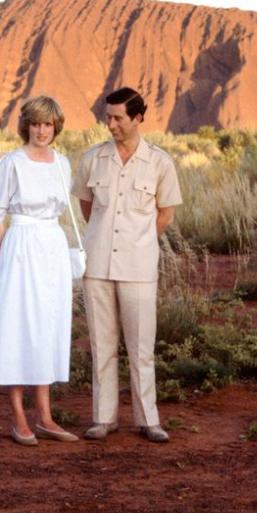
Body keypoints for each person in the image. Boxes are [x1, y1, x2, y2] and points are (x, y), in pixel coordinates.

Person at [71, 87, 183, 443]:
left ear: (137, 118)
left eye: (118, 118)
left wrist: (138, 238)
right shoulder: (92, 159)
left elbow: (166, 213)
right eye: (108, 117)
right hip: (98, 265)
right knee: (102, 345)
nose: (111, 124)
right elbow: (87, 208)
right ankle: (103, 418)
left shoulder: (160, 163)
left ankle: (148, 420)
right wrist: (105, 237)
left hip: (138, 266)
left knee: (140, 346)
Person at [0, 95, 80, 446]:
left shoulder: (62, 163)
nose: (42, 131)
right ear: (26, 125)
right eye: (36, 124)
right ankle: (19, 417)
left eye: (48, 124)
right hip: (21, 245)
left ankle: (46, 416)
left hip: (52, 245)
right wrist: (8, 254)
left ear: (57, 127)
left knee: (47, 325)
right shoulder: (11, 162)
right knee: (17, 324)